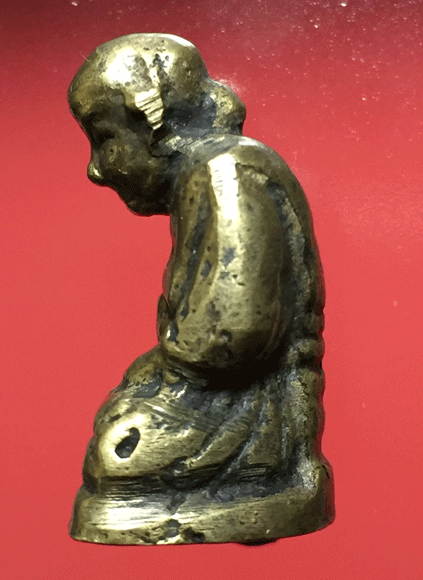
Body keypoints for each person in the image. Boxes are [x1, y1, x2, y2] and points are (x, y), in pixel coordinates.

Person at [68, 34, 332, 545]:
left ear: (152, 126)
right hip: (214, 391)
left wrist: (165, 360)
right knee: (118, 428)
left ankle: (272, 480)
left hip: (254, 408)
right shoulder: (210, 170)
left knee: (117, 452)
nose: (96, 169)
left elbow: (233, 333)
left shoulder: (225, 169)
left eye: (105, 139)